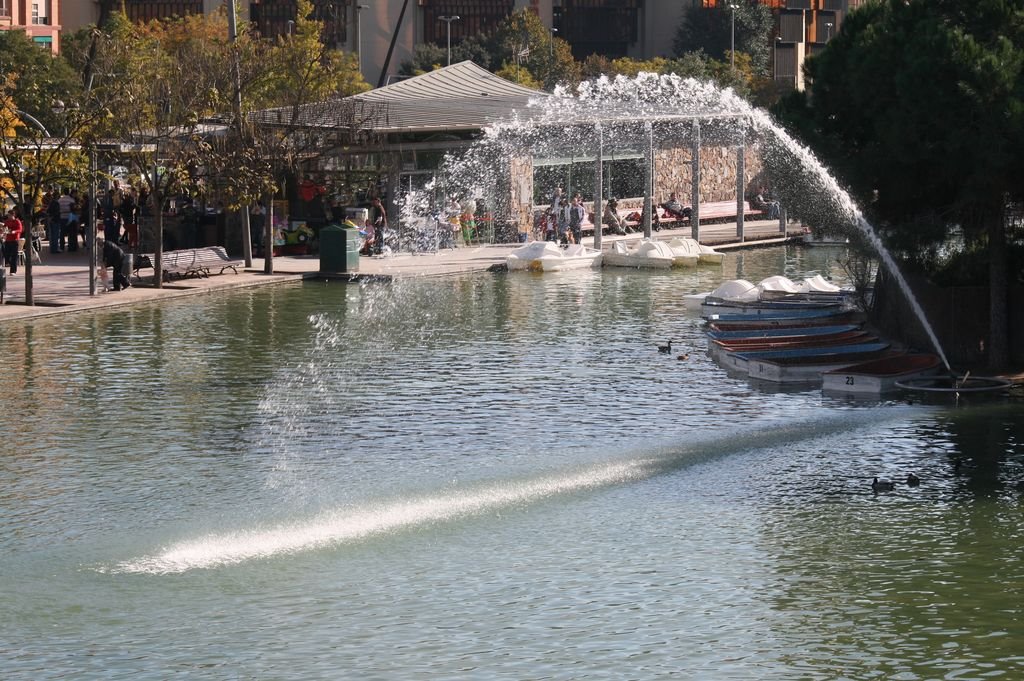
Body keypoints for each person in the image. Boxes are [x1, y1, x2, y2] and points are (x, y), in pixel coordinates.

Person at [2, 209, 23, 274]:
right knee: (6, 254)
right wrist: (3, 229)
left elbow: (20, 230)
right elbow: (4, 227)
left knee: (14, 256)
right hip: (8, 240)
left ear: (13, 215)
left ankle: (13, 271)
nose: (8, 216)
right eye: (8, 215)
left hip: (15, 240)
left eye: (9, 215)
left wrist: (14, 231)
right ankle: (8, 262)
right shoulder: (7, 221)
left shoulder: (17, 221)